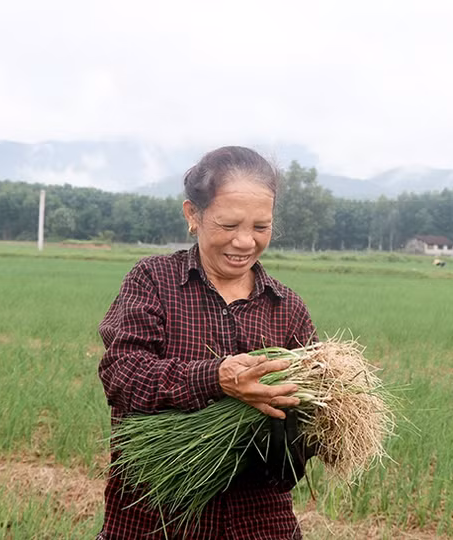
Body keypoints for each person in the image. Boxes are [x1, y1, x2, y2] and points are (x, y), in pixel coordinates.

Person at [96, 146, 317, 539]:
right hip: (159, 520)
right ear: (192, 216)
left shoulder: (287, 307)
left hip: (260, 524)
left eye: (260, 227)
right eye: (229, 225)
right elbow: (123, 375)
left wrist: (298, 443)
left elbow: (309, 407)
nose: (245, 242)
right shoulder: (154, 281)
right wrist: (216, 378)